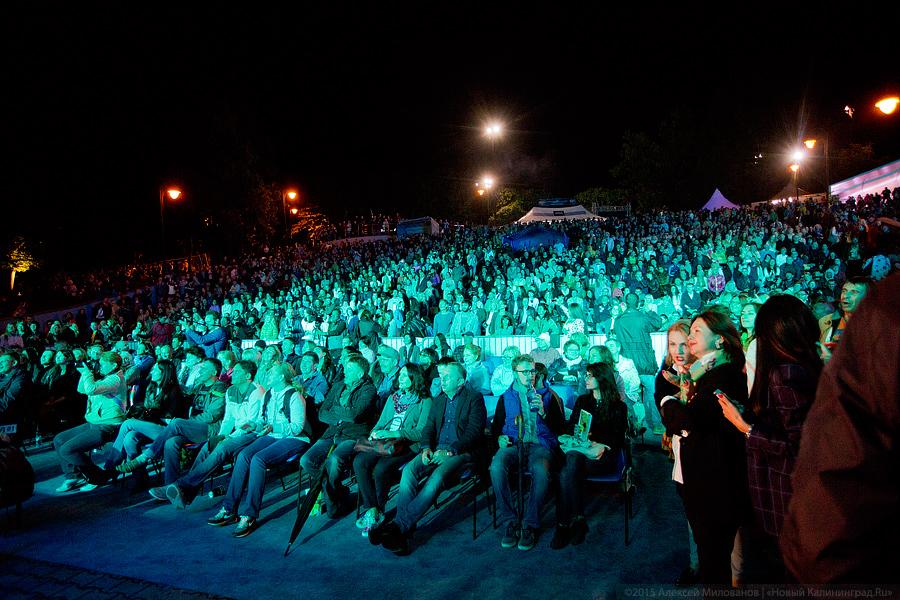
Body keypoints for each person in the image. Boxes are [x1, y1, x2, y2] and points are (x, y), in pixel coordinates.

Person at [781, 273, 900, 583]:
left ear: (868, 296)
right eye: (844, 291)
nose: (846, 296)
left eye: (853, 292)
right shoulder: (828, 325)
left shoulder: (882, 321)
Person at [717, 295, 822, 581]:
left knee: (787, 573)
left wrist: (746, 428)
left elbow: (798, 446)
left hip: (784, 493)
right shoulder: (802, 366)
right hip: (790, 495)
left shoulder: (785, 375)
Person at [657, 309, 749, 584]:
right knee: (712, 556)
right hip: (706, 479)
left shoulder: (723, 376)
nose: (690, 338)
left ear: (719, 340)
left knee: (715, 562)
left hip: (714, 484)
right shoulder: (704, 374)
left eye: (697, 331)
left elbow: (688, 421)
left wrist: (667, 401)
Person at [369, 361, 486, 555]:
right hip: (436, 449)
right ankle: (402, 529)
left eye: (447, 376)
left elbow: (474, 432)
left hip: (461, 452)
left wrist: (450, 451)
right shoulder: (439, 400)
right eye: (442, 376)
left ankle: (399, 526)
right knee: (409, 471)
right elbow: (428, 428)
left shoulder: (474, 398)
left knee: (437, 478)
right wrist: (425, 448)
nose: (442, 379)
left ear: (460, 381)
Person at [208, 362, 313, 537]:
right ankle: (229, 508)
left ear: (281, 377)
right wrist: (254, 425)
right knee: (243, 455)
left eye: (271, 373)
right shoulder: (269, 394)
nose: (267, 375)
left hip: (294, 438)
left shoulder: (295, 396)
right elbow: (262, 420)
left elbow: (296, 427)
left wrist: (273, 427)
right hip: (272, 435)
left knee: (258, 459)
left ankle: (249, 514)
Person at [490, 354, 565, 551]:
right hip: (513, 443)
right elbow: (496, 427)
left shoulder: (548, 395)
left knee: (541, 471)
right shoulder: (505, 397)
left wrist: (544, 412)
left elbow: (561, 428)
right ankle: (510, 520)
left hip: (540, 444)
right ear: (515, 373)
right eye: (525, 372)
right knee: (496, 466)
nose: (530, 375)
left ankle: (530, 524)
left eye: (532, 371)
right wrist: (499, 438)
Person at [551, 362, 628, 549]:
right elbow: (571, 426)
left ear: (602, 378)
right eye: (586, 375)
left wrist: (596, 441)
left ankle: (563, 524)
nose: (586, 378)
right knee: (571, 462)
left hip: (603, 456)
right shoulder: (582, 401)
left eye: (590, 375)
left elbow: (618, 438)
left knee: (567, 470)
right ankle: (576, 521)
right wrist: (579, 432)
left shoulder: (618, 406)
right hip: (581, 451)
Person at [116, 358, 227, 485]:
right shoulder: (199, 386)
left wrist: (187, 422)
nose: (200, 371)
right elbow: (185, 394)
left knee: (133, 423)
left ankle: (139, 458)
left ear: (214, 372)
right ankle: (170, 485)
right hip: (187, 429)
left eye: (204, 368)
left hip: (208, 429)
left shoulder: (220, 388)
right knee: (169, 442)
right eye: (200, 368)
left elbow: (212, 416)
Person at [353, 363, 432, 536]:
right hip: (386, 443)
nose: (399, 378)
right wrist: (374, 433)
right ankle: (372, 509)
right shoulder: (393, 397)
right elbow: (381, 422)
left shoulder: (424, 401)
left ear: (414, 378)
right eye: (400, 375)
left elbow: (421, 432)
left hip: (408, 445)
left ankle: (379, 508)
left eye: (404, 375)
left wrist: (396, 432)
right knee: (359, 461)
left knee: (381, 468)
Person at [298, 354, 378, 518]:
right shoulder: (338, 385)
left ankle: (333, 505)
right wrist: (340, 416)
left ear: (360, 373)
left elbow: (354, 415)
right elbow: (322, 413)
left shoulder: (368, 389)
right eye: (345, 368)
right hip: (332, 432)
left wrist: (335, 411)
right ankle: (338, 491)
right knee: (306, 460)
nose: (345, 371)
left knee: (334, 460)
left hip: (354, 435)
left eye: (349, 369)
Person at [653, 320, 700, 584]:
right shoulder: (665, 377)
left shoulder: (708, 372)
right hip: (683, 452)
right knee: (691, 510)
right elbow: (672, 420)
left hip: (713, 452)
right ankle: (695, 563)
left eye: (684, 343)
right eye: (673, 344)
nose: (678, 350)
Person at [53, 351, 127, 492]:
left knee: (67, 449)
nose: (100, 367)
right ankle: (73, 476)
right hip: (94, 423)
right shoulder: (106, 378)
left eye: (103, 364)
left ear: (114, 365)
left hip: (108, 425)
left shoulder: (116, 379)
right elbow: (82, 389)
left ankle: (97, 476)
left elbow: (91, 389)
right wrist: (84, 373)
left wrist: (87, 373)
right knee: (59, 439)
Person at [100, 359, 183, 474]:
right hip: (150, 426)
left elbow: (169, 418)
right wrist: (143, 412)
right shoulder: (151, 388)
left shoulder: (173, 392)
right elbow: (148, 409)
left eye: (156, 370)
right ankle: (140, 477)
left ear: (164, 373)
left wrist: (150, 413)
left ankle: (110, 465)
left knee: (128, 423)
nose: (152, 372)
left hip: (166, 430)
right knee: (129, 438)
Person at [613, 292, 663, 434]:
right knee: (651, 393)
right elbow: (658, 323)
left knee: (627, 396)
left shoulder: (619, 320)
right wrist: (649, 310)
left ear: (625, 302)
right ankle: (656, 425)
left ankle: (632, 425)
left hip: (627, 365)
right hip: (644, 362)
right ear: (638, 302)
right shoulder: (643, 317)